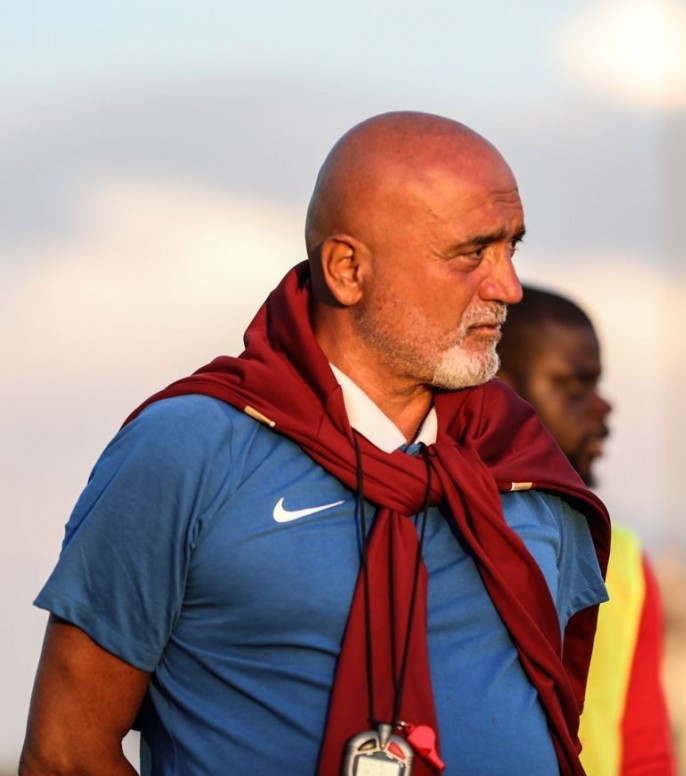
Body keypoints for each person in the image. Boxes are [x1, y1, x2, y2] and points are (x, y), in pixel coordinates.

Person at [20, 112, 611, 776]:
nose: (508, 288)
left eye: (511, 249)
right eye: (473, 253)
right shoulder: (188, 449)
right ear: (347, 269)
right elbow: (65, 756)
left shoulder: (523, 461)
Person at [496, 285, 676, 775]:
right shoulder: (432, 532)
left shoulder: (624, 558)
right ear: (499, 394)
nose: (603, 407)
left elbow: (644, 754)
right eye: (575, 387)